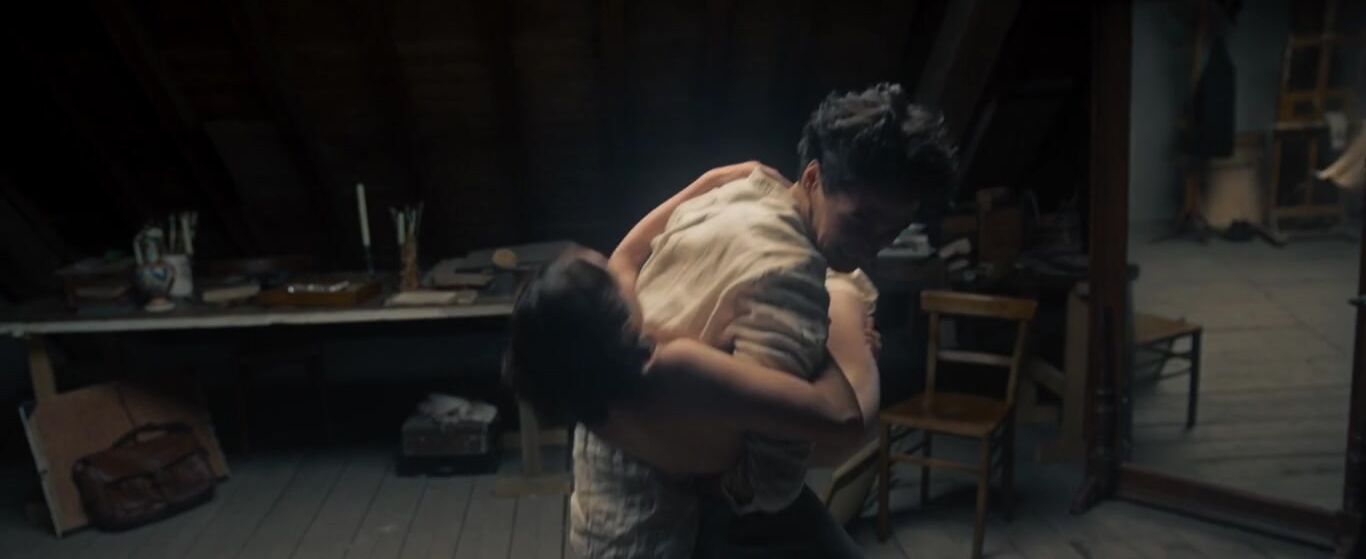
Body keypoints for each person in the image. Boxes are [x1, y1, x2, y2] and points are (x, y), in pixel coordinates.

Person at [514, 83, 956, 557]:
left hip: (600, 503)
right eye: (862, 220)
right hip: (682, 526)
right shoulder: (783, 273)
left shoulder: (735, 195)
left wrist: (711, 180)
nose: (875, 246)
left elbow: (624, 259)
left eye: (893, 230)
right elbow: (786, 472)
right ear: (811, 178)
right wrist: (843, 335)